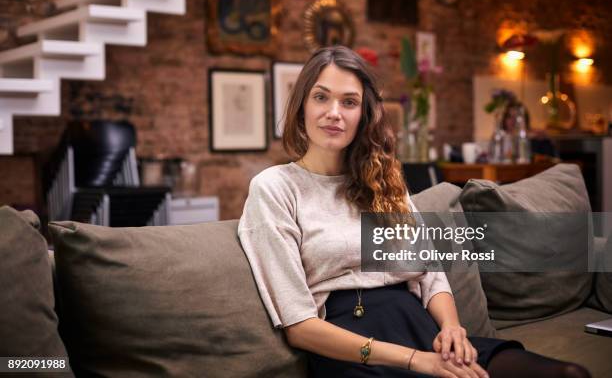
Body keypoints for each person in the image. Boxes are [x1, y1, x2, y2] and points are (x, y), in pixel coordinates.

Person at [237, 46, 591, 378]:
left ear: (363, 114)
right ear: (301, 106)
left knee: (569, 374)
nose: (334, 112)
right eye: (321, 97)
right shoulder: (275, 188)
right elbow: (299, 327)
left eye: (349, 102)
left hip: (422, 331)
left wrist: (452, 328)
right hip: (355, 351)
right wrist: (415, 360)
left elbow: (430, 274)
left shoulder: (382, 180)